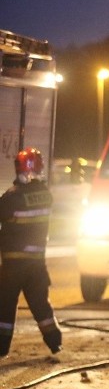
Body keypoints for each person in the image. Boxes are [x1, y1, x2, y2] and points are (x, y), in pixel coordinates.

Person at [0, 148, 63, 359]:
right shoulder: (45, 195)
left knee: (5, 306)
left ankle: (1, 347)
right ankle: (55, 341)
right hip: (36, 265)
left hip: (13, 266)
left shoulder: (12, 198)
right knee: (40, 304)